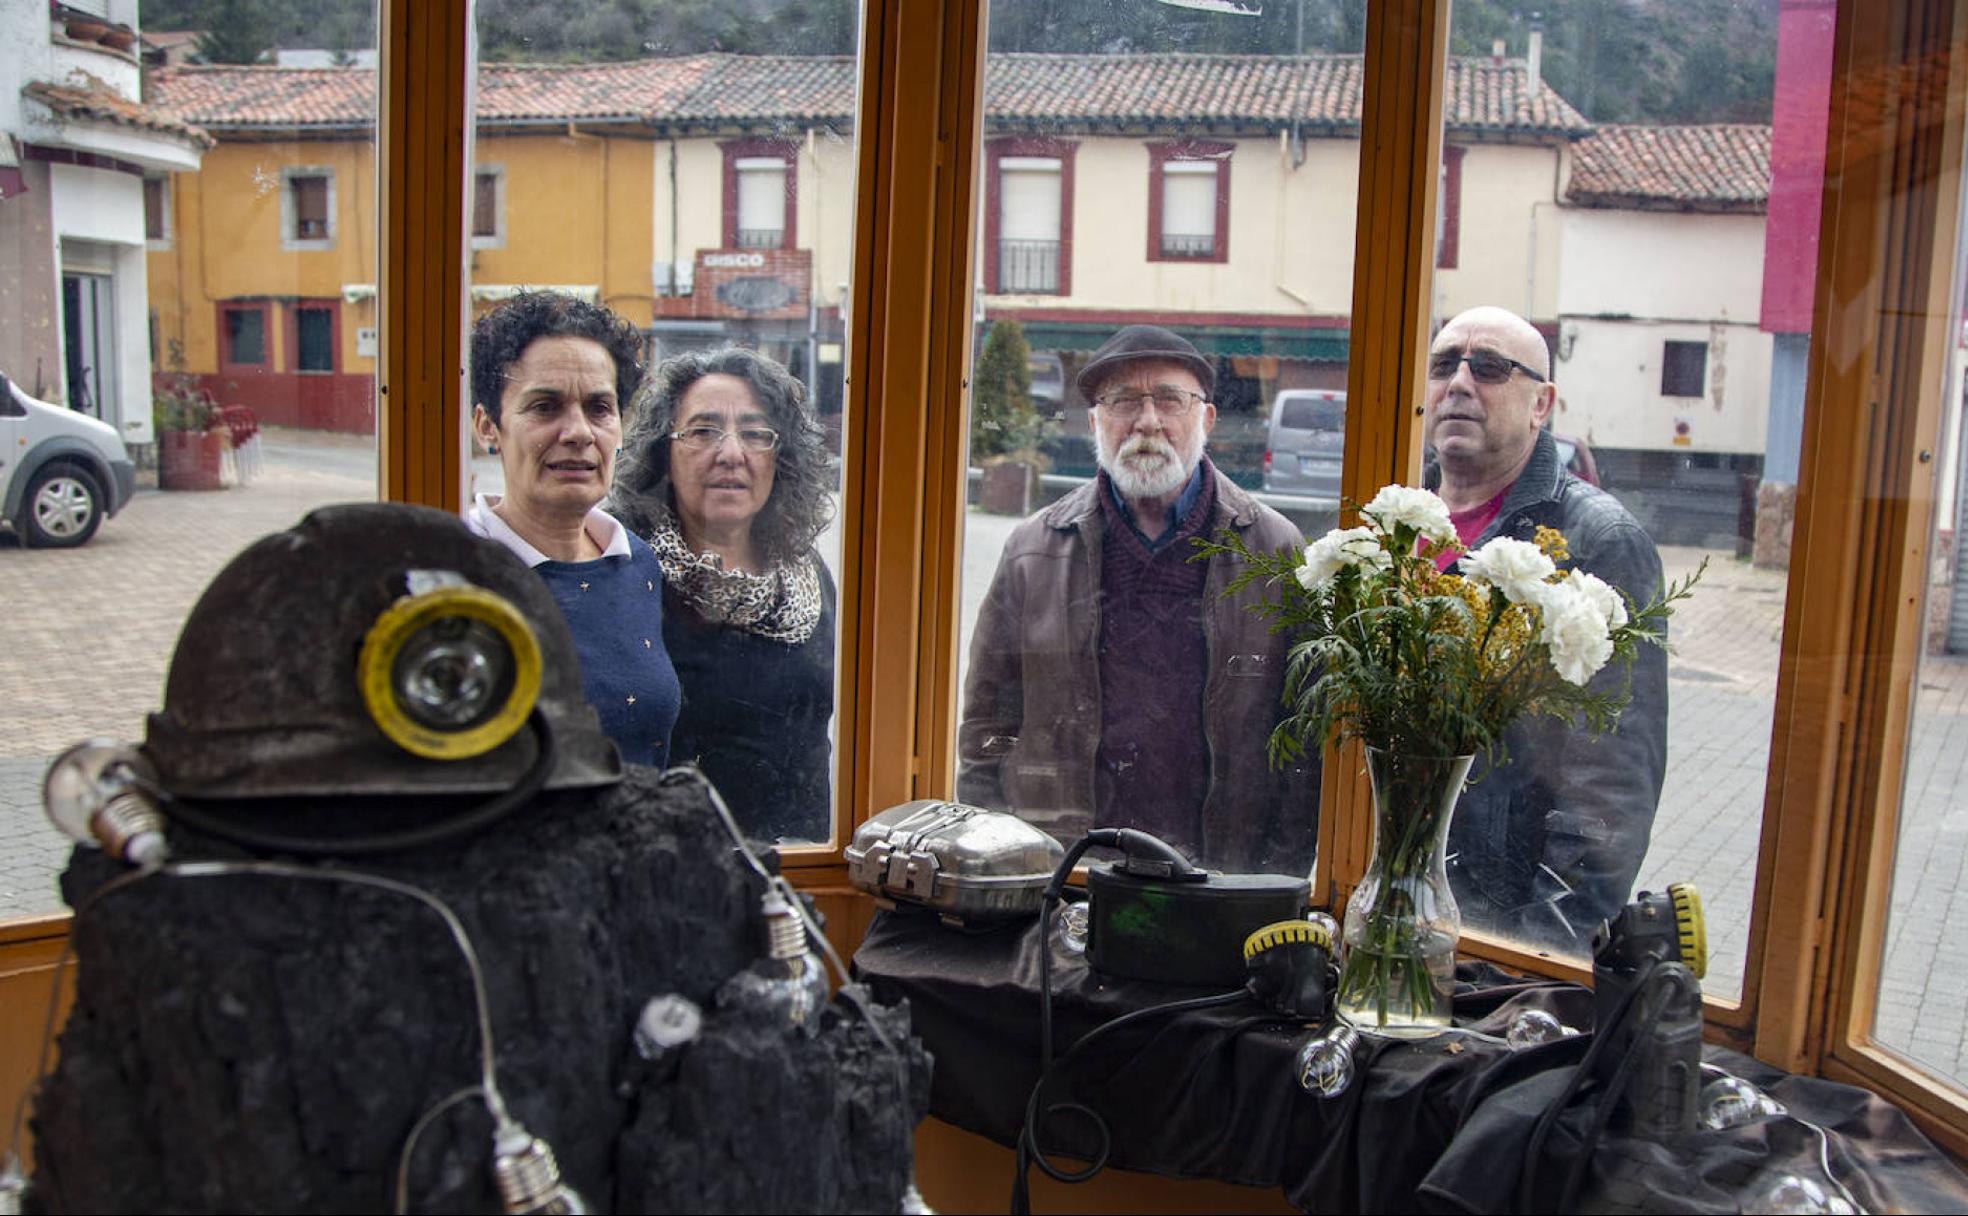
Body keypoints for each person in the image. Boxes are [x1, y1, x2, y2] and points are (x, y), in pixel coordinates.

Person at [957, 325, 1316, 874]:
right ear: (1096, 421)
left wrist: (1272, 886)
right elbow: (987, 732)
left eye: (1170, 399)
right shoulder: (1032, 550)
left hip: (1219, 879)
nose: (1148, 420)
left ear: (1207, 419)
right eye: (1123, 400)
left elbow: (1303, 747)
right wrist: (1013, 873)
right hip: (1069, 875)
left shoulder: (1275, 549)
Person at [1422, 305, 1669, 945]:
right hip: (1391, 901)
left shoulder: (1598, 541)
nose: (1460, 383)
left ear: (1542, 404)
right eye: (1444, 364)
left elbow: (1609, 786)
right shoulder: (1395, 522)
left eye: (1491, 368)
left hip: (1498, 930)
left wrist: (1539, 954)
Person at [611, 347, 836, 845]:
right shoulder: (626, 572)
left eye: (756, 434)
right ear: (662, 452)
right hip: (671, 873)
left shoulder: (809, 577)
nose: (732, 453)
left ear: (782, 457)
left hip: (798, 871)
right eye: (703, 431)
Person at [465, 290, 680, 768]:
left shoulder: (637, 563)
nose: (579, 432)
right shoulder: (455, 576)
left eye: (599, 407)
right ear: (487, 427)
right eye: (545, 406)